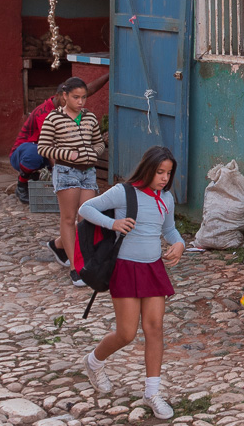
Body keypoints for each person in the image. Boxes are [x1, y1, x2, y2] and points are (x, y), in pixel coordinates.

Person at [77, 146, 185, 420]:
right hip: (125, 268)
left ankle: (152, 392)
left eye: (168, 173)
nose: (164, 178)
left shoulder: (166, 198)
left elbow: (169, 229)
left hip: (153, 269)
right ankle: (94, 361)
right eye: (160, 172)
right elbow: (85, 208)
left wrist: (180, 244)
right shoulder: (123, 192)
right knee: (126, 334)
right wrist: (112, 223)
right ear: (147, 169)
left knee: (155, 328)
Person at [37, 77, 106, 287]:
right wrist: (68, 153)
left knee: (86, 217)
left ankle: (59, 245)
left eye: (84, 97)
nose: (81, 102)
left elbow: (99, 143)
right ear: (64, 96)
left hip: (88, 172)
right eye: (76, 97)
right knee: (68, 218)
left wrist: (93, 153)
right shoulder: (53, 119)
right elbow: (43, 147)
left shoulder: (90, 118)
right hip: (66, 171)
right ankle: (75, 268)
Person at [10, 73, 109, 205]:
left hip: (53, 153)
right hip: (25, 152)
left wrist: (109, 74)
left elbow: (89, 89)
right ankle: (22, 185)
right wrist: (58, 175)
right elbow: (49, 144)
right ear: (59, 96)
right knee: (35, 153)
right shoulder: (45, 113)